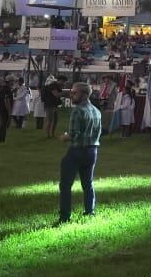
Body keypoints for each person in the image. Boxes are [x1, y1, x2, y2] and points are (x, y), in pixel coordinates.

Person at [57, 81, 102, 225]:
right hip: (92, 151)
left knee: (65, 185)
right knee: (88, 183)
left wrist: (64, 137)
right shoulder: (96, 110)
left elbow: (73, 134)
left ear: (83, 94)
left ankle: (65, 217)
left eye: (74, 92)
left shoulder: (77, 111)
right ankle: (90, 211)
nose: (71, 95)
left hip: (77, 151)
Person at [0, 78, 13, 144]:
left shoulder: (2, 89)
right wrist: (9, 111)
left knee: (1, 125)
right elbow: (7, 100)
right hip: (4, 110)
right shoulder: (7, 90)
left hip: (0, 109)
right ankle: (1, 140)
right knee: (3, 125)